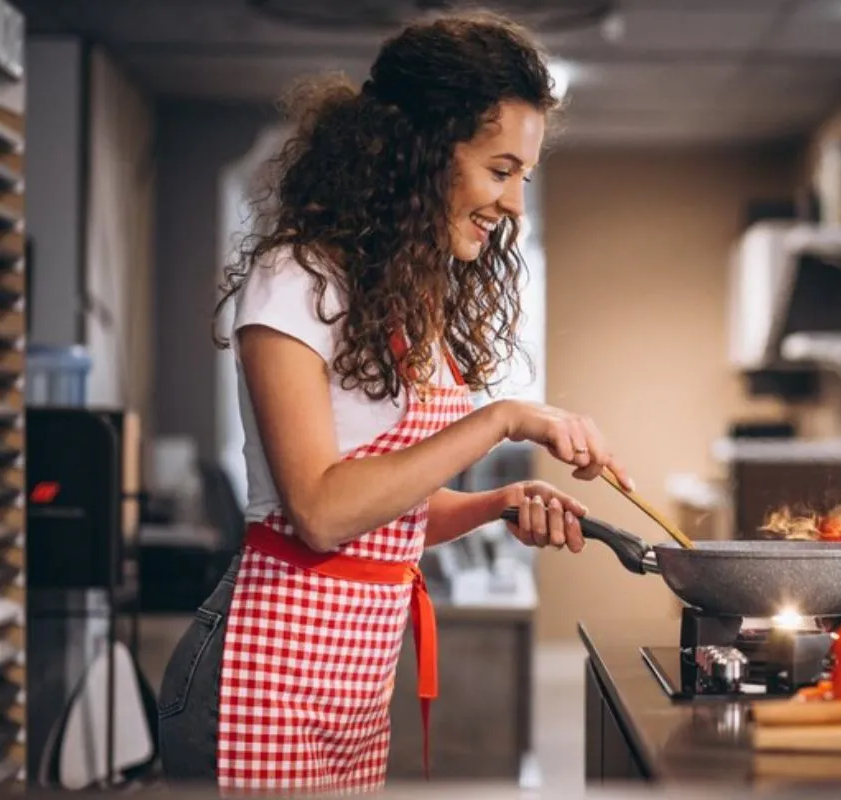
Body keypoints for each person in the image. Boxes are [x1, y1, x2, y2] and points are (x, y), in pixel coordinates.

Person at [155, 11, 632, 794]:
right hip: (260, 675)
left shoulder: (401, 299)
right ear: (419, 153)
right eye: (498, 169)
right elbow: (320, 510)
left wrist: (499, 502)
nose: (513, 202)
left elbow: (388, 513)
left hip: (350, 689)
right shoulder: (297, 279)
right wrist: (504, 418)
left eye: (525, 177)